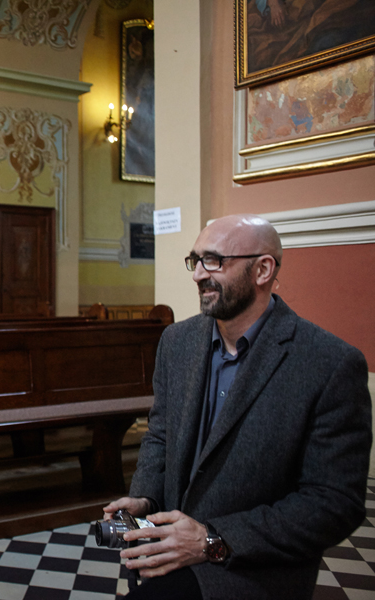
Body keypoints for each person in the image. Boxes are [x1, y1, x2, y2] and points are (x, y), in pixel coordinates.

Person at [103, 214, 371, 600]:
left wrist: (211, 539)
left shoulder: (328, 363)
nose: (198, 274)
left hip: (251, 569)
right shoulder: (177, 342)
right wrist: (146, 497)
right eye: (195, 260)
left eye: (214, 260)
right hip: (169, 553)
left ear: (263, 269)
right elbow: (161, 436)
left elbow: (334, 502)